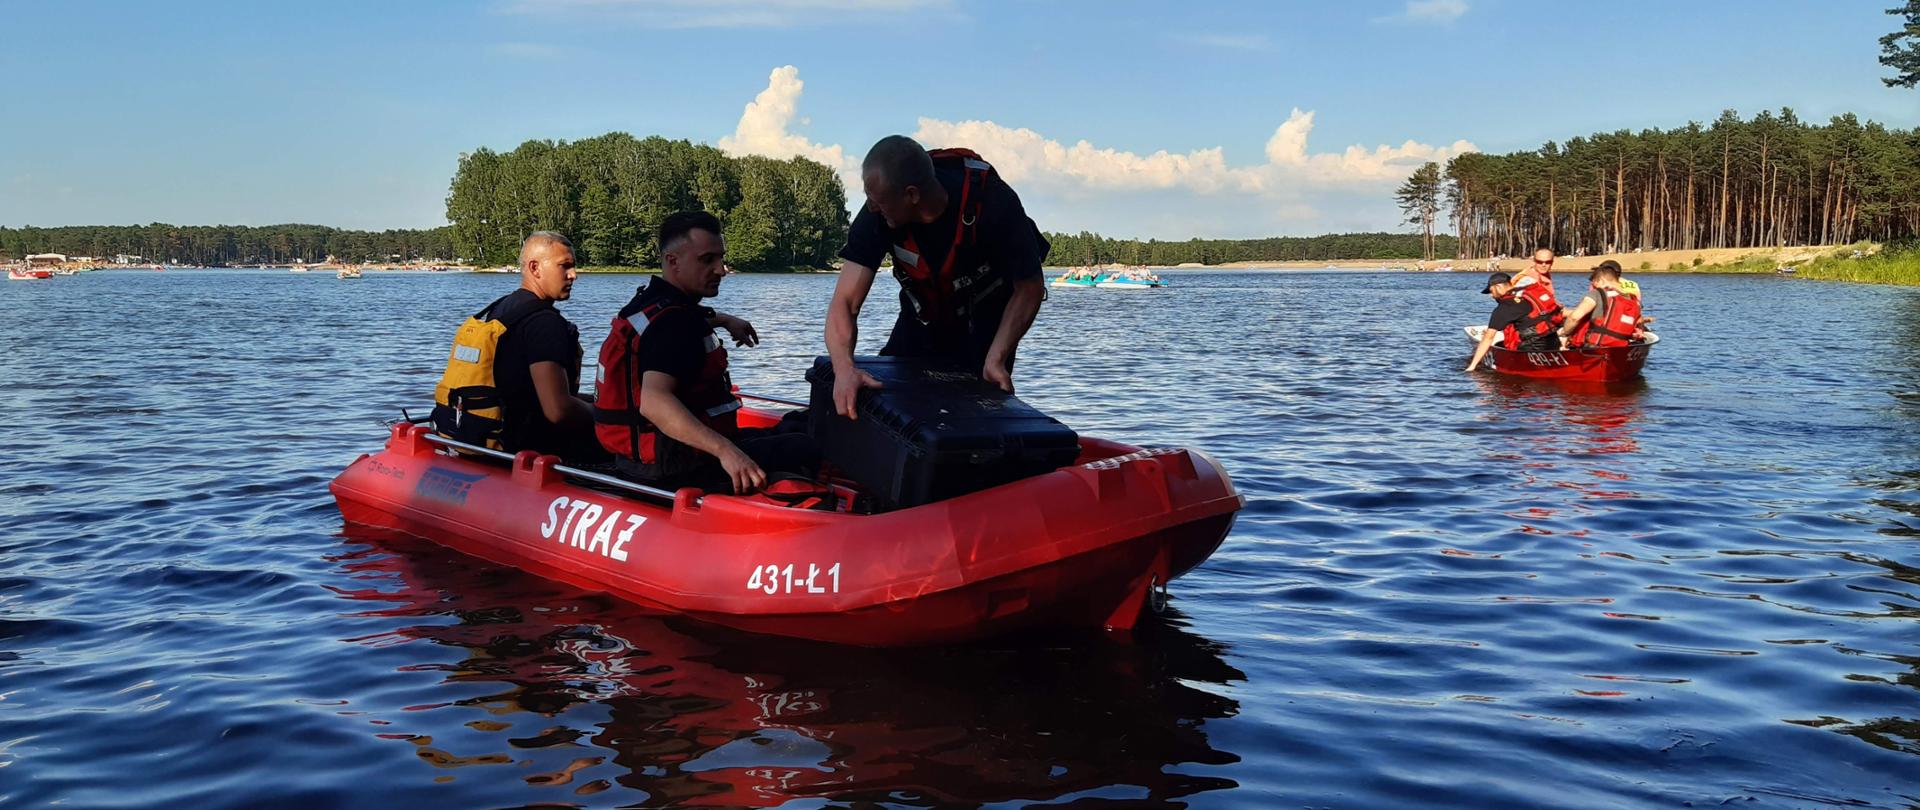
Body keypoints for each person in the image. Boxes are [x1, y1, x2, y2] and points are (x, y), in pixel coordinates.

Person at [825, 135, 1050, 420]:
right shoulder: (877, 211)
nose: (871, 208)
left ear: (912, 195)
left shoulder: (993, 202)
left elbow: (1029, 288)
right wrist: (844, 369)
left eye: (879, 202)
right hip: (922, 319)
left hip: (986, 325)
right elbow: (844, 303)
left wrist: (998, 356)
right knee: (883, 403)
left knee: (972, 421)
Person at [593, 211, 818, 494]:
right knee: (804, 444)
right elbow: (654, 401)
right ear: (672, 261)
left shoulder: (650, 304)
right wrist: (726, 452)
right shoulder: (675, 324)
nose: (721, 269)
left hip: (646, 461)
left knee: (793, 425)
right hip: (679, 468)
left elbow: (671, 330)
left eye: (721, 258)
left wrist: (724, 320)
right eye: (707, 260)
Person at [431, 231, 604, 462]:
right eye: (565, 266)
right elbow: (558, 410)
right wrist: (609, 418)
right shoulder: (545, 323)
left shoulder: (501, 309)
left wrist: (601, 403)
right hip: (525, 450)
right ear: (535, 268)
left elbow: (525, 391)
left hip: (492, 437)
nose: (574, 275)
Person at [1465, 271, 1565, 371]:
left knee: (1501, 345)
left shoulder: (1504, 307)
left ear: (1498, 287)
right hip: (1553, 339)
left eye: (1491, 291)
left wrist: (1472, 366)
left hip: (1534, 347)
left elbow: (1488, 338)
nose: (1491, 295)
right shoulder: (1525, 296)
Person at [1556, 261, 1646, 348]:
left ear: (1602, 280)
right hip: (1621, 347)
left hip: (1595, 347)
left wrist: (1564, 332)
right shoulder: (1633, 299)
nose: (1593, 286)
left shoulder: (1598, 293)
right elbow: (1639, 321)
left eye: (1594, 283)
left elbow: (1574, 317)